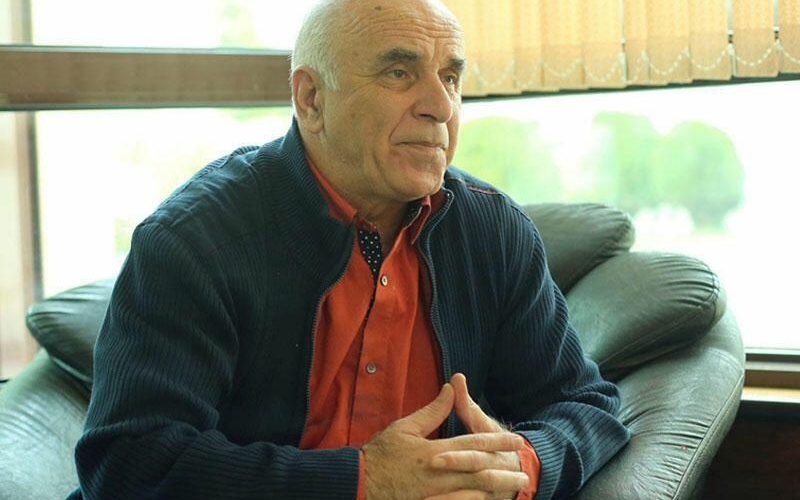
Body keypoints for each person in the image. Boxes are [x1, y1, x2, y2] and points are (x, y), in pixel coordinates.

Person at [67, 1, 630, 499]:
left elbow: (585, 407)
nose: (440, 105)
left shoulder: (494, 230)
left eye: (451, 77)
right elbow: (128, 463)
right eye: (399, 72)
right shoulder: (194, 240)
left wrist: (519, 465)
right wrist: (363, 481)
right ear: (311, 99)